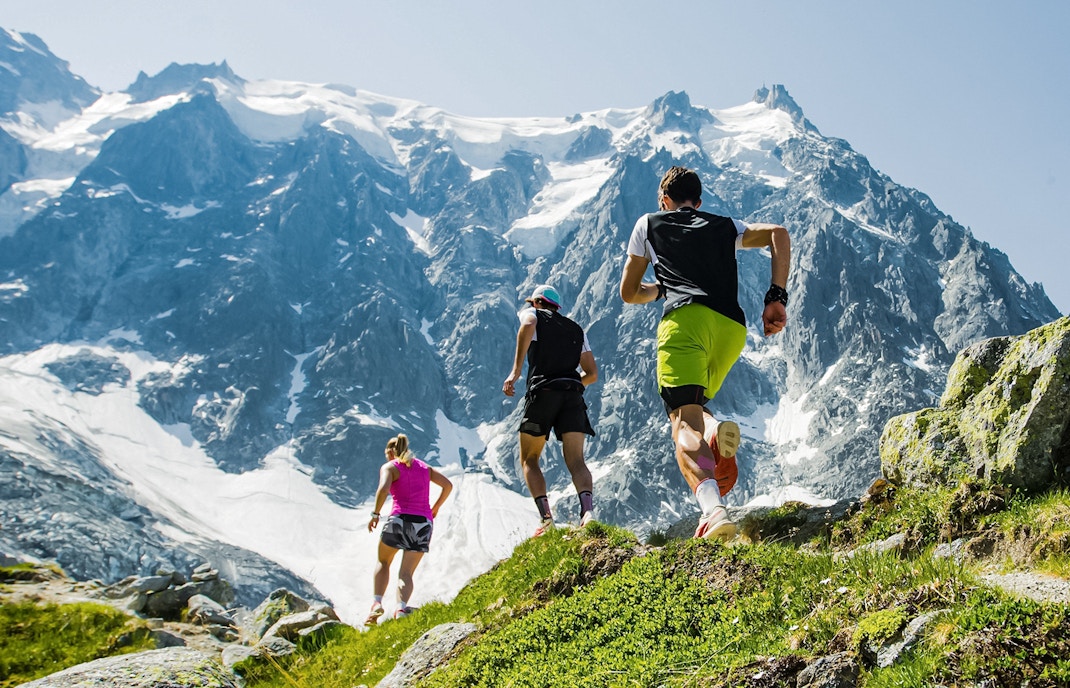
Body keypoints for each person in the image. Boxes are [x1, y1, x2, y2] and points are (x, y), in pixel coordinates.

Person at [619, 166, 790, 541]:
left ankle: (714, 511)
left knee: (682, 423)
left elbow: (629, 293)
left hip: (685, 324)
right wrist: (776, 296)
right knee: (697, 409)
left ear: (664, 200)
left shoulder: (649, 223)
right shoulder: (724, 225)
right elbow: (778, 233)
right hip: (731, 329)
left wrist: (660, 288)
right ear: (698, 202)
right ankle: (714, 429)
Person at [502, 284, 599, 536]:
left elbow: (527, 325)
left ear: (537, 302)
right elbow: (592, 373)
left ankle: (546, 521)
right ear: (557, 306)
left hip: (543, 393)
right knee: (577, 460)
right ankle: (587, 513)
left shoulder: (532, 313)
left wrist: (515, 371)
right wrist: (572, 383)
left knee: (529, 459)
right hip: (572, 396)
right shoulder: (576, 329)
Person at [365, 434, 453, 625]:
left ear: (390, 452)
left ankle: (377, 603)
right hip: (422, 523)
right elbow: (447, 485)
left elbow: (383, 489)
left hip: (399, 519)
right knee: (406, 573)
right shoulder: (424, 467)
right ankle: (401, 608)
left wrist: (375, 514)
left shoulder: (390, 466)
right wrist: (435, 508)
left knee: (383, 561)